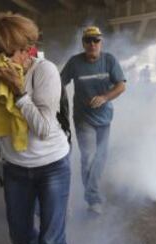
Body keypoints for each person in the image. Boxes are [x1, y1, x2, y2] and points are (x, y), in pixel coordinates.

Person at [0, 13, 79, 244]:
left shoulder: (44, 71)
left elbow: (45, 128)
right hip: (15, 169)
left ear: (27, 49)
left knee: (51, 242)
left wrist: (19, 91)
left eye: (7, 52)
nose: (2, 58)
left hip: (52, 167)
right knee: (21, 238)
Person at [61, 26, 126, 214]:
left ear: (101, 42)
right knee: (88, 158)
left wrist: (105, 97)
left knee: (101, 158)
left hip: (105, 118)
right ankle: (93, 199)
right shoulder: (74, 63)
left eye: (96, 40)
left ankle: (92, 191)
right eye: (88, 40)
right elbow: (59, 82)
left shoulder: (109, 60)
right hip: (83, 119)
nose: (92, 44)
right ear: (83, 43)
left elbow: (121, 85)